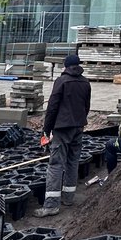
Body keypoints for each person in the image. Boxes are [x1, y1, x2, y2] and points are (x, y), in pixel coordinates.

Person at [38, 52, 90, 215]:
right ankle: (68, 198)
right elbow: (86, 106)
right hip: (78, 127)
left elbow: (52, 107)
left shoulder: (62, 81)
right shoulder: (85, 83)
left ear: (66, 66)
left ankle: (51, 205)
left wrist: (46, 130)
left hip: (62, 128)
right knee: (73, 162)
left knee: (56, 164)